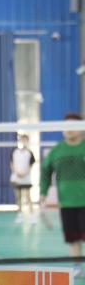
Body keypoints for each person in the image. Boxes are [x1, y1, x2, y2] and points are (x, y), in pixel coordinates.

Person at [40, 112, 85, 276]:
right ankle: (77, 267)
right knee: (73, 238)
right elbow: (45, 172)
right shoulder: (57, 151)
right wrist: (43, 193)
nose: (69, 129)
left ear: (82, 128)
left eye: (73, 126)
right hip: (67, 203)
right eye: (66, 126)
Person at [10, 133, 36, 222]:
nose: (23, 141)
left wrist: (24, 173)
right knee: (18, 197)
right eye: (22, 139)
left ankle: (32, 215)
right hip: (16, 177)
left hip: (26, 178)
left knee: (28, 196)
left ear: (27, 141)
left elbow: (31, 166)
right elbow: (12, 164)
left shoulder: (30, 153)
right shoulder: (14, 152)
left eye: (25, 140)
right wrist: (16, 172)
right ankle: (20, 215)